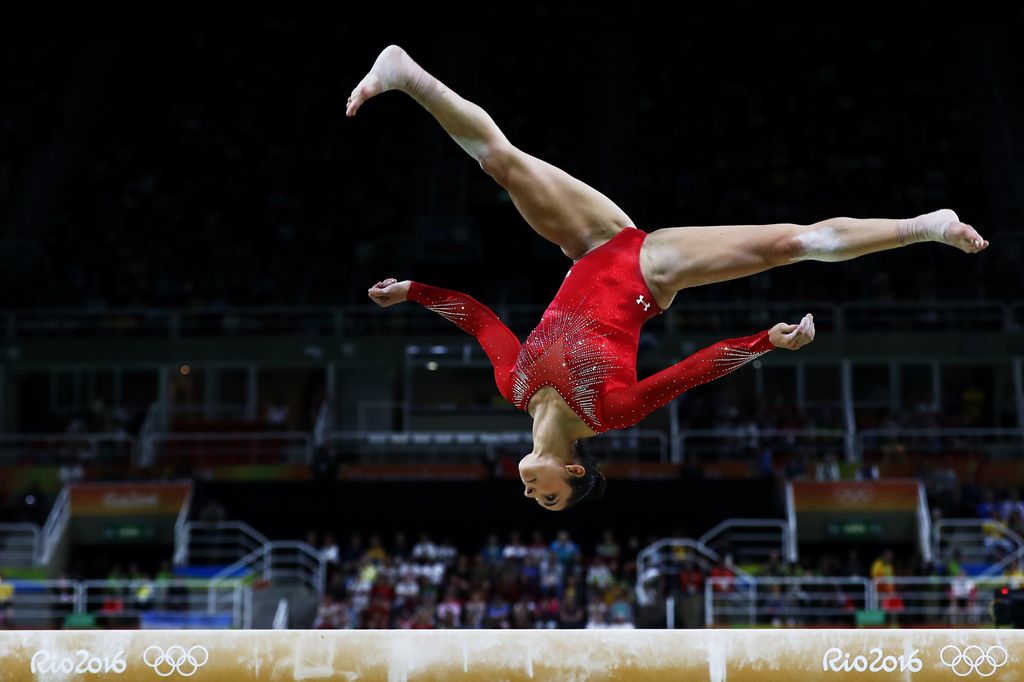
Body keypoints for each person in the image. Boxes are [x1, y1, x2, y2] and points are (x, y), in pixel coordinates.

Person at [350, 46, 988, 511]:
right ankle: (924, 226)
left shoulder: (514, 387)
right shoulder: (608, 413)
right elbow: (693, 371)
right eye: (548, 497)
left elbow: (479, 319)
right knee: (793, 245)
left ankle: (405, 74)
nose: (531, 493)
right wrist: (767, 341)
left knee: (503, 165)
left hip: (591, 243)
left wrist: (411, 292)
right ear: (574, 471)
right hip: (649, 268)